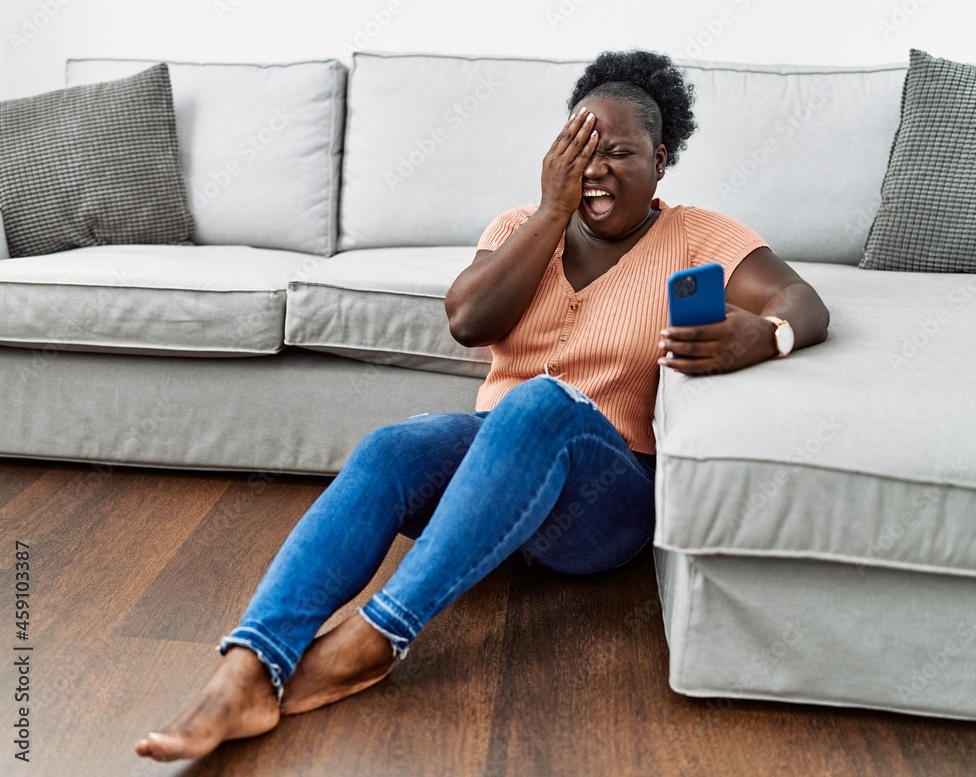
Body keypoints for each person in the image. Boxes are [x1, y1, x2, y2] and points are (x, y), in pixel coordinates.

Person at [134, 49, 829, 763]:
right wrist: (552, 214)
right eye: (579, 147)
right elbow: (469, 320)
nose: (595, 166)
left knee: (539, 403)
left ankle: (375, 637)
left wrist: (766, 334)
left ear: (662, 156)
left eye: (618, 151)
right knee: (390, 448)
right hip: (490, 481)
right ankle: (248, 666)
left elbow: (803, 302)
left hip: (604, 499)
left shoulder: (696, 235)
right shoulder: (519, 226)